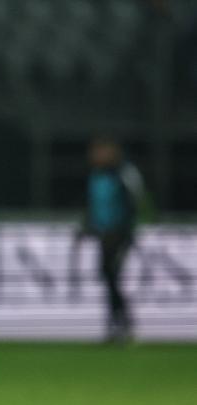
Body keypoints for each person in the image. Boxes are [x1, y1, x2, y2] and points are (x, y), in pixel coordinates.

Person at [85, 137, 143, 343]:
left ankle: (123, 323)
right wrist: (89, 227)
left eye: (100, 151)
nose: (96, 156)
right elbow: (94, 206)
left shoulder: (123, 173)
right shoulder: (95, 176)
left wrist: (125, 231)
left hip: (120, 235)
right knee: (108, 277)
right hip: (104, 236)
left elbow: (136, 204)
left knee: (112, 275)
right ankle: (116, 324)